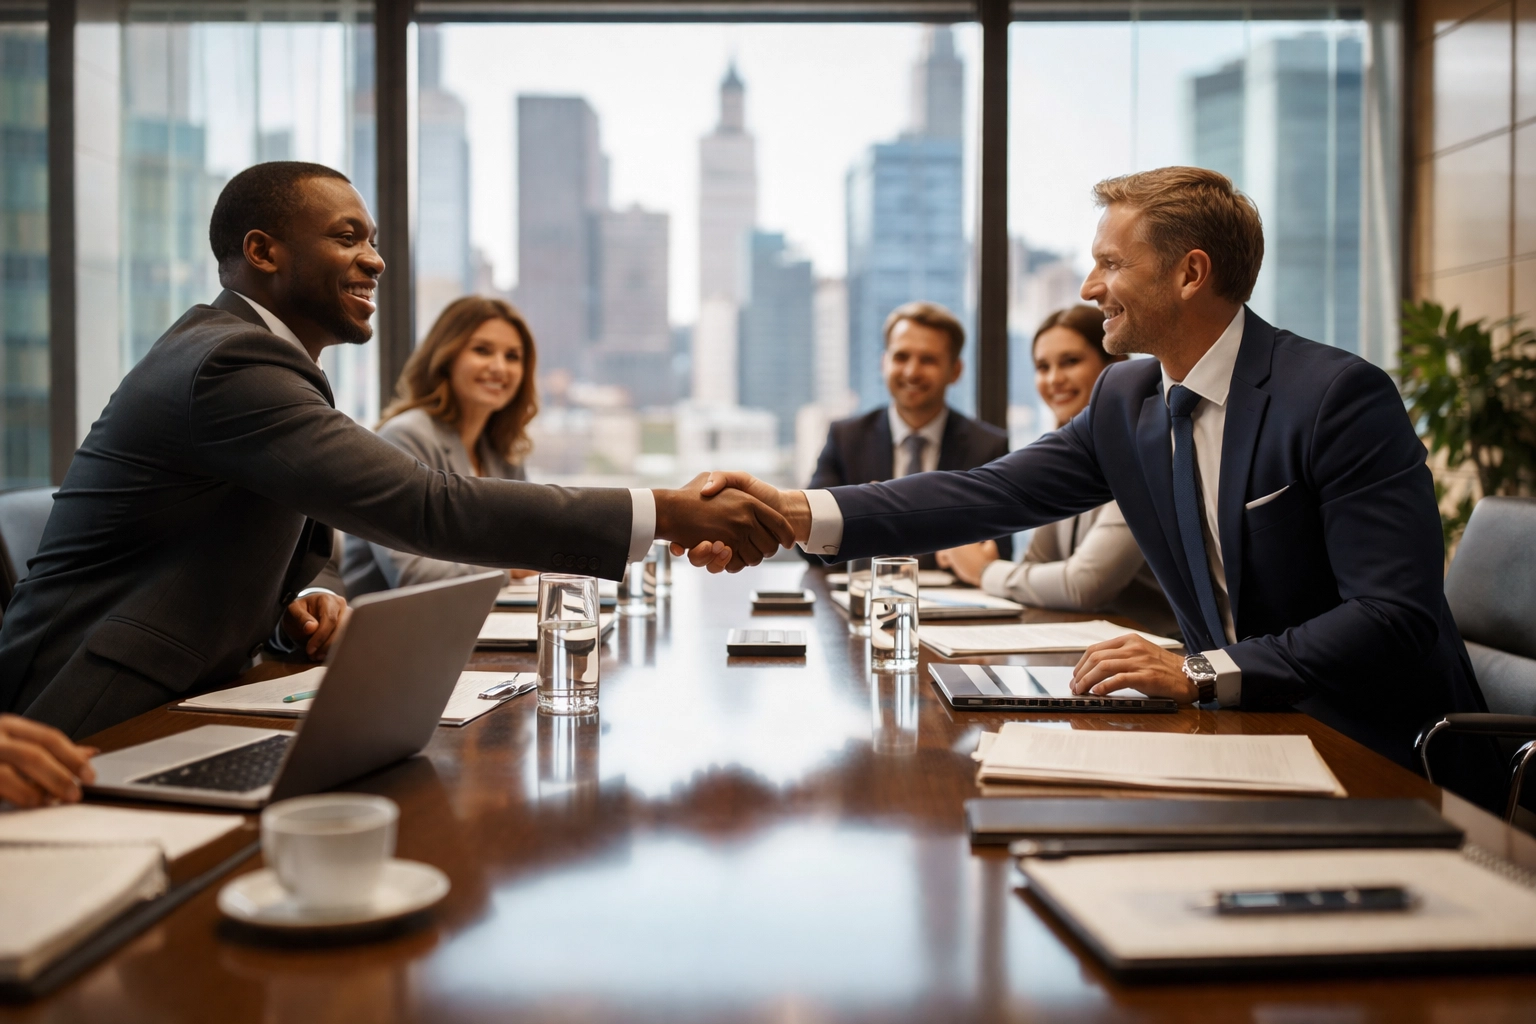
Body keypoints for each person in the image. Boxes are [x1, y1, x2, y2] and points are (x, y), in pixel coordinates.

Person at [700, 166, 1500, 807]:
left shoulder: (1335, 397)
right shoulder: (1128, 400)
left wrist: (1201, 671)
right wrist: (791, 510)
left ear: (1190, 274)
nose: (1089, 287)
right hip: (1240, 739)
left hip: (1381, 754)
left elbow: (1391, 616)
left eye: (1111, 264)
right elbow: (984, 494)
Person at [0, 161, 789, 740]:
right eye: (348, 238)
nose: (376, 260)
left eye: (374, 241)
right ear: (264, 252)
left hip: (198, 694)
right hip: (92, 716)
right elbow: (425, 505)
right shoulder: (227, 362)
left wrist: (287, 611)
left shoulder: (258, 362)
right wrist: (666, 511)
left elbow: (242, 548)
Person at [936, 306, 1176, 636]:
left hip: (1159, 649)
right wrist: (1001, 572)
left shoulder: (1142, 450)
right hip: (1087, 643)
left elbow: (1084, 585)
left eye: (1070, 362)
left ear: (1116, 365)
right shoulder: (1064, 458)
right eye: (1042, 367)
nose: (1054, 380)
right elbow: (1037, 566)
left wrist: (984, 570)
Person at [342, 295, 544, 596]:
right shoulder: (404, 437)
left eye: (513, 356)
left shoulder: (503, 450)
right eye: (482, 350)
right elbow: (413, 573)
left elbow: (530, 545)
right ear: (446, 357)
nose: (499, 367)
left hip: (482, 612)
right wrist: (509, 568)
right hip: (401, 621)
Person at [806, 301, 1011, 566]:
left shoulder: (988, 447)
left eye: (928, 360)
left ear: (955, 371)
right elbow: (807, 538)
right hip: (863, 590)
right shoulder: (846, 438)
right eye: (901, 357)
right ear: (884, 363)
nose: (912, 372)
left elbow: (999, 551)